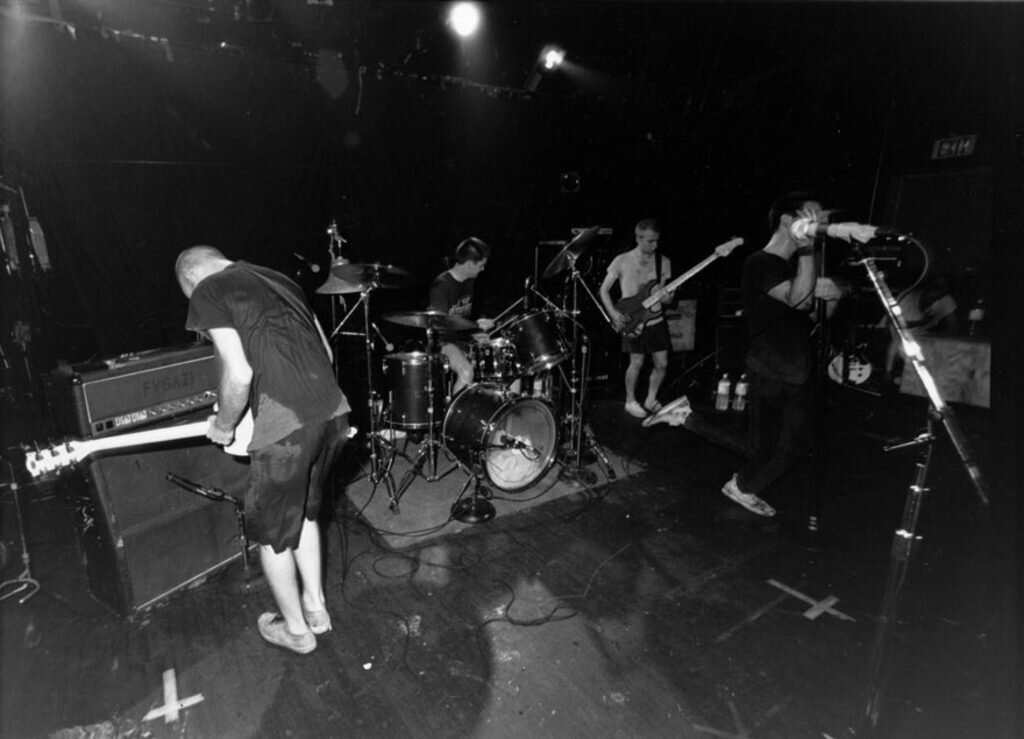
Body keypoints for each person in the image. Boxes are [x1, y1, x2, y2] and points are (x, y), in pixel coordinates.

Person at [175, 245, 350, 654]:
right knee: (304, 514)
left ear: (190, 279)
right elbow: (324, 354)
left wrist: (224, 425)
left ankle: (297, 632)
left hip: (286, 429)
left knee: (273, 537)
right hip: (334, 414)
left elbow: (239, 372)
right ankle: (316, 609)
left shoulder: (208, 289)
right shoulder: (280, 279)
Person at [721, 193, 875, 517]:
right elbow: (799, 300)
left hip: (797, 368)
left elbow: (817, 315)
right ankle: (689, 418)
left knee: (795, 444)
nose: (820, 225)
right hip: (770, 366)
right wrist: (808, 250)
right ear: (787, 220)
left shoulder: (796, 266)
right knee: (762, 449)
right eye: (812, 217)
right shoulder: (759, 262)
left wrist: (835, 293)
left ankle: (742, 486)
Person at [600, 218, 674, 418]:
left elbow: (667, 297)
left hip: (656, 320)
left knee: (662, 364)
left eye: (657, 240)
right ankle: (630, 401)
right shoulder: (621, 260)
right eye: (650, 241)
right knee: (636, 362)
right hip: (632, 319)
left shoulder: (663, 262)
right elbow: (604, 290)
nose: (655, 245)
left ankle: (651, 398)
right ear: (638, 238)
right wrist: (614, 314)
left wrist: (667, 297)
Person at [428, 237, 495, 394]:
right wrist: (475, 326)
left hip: (463, 338)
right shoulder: (441, 285)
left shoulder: (470, 281)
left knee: (504, 365)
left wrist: (476, 330)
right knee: (466, 372)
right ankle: (456, 410)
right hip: (443, 343)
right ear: (470, 264)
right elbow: (442, 325)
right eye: (481, 265)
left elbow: (462, 319)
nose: (483, 269)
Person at [882, 273, 960, 383]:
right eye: (935, 285)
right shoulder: (908, 297)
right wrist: (920, 322)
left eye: (942, 287)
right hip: (898, 332)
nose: (937, 290)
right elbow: (897, 324)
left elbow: (953, 326)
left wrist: (947, 341)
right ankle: (889, 373)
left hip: (922, 334)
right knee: (897, 343)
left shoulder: (946, 300)